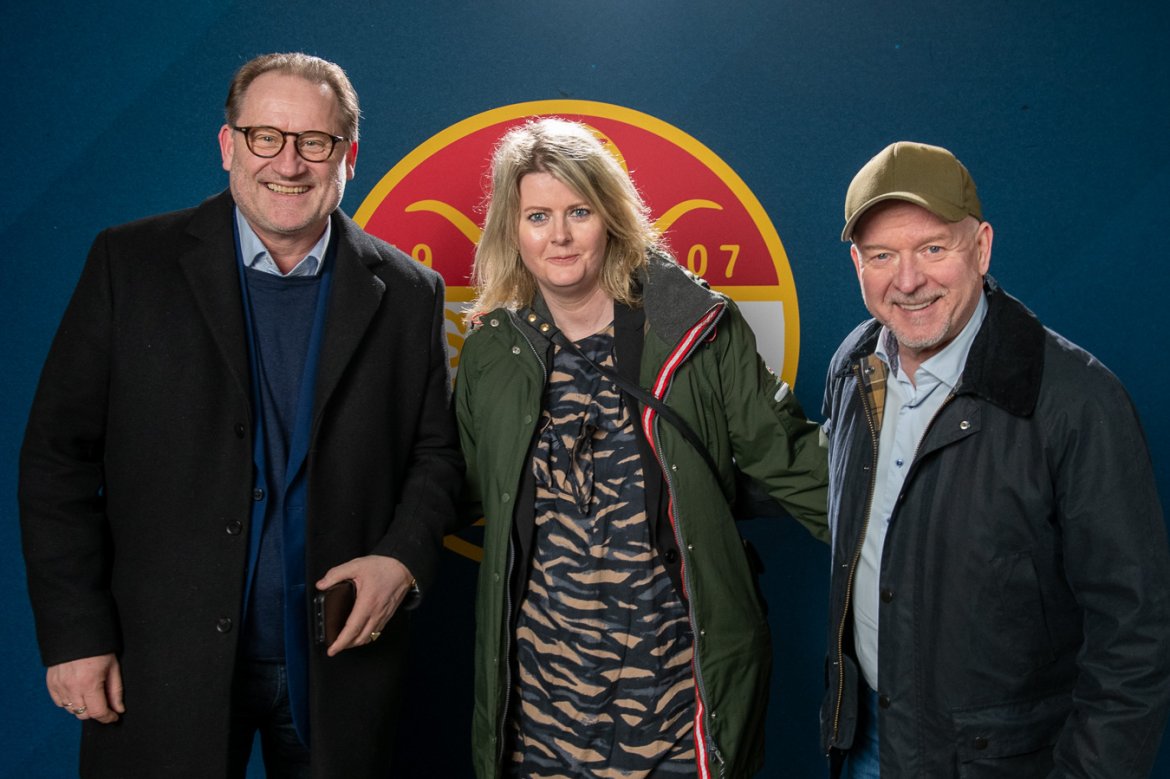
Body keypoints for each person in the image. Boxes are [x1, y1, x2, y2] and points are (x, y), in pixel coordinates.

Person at [19, 52, 462, 778]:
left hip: (338, 663)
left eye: (313, 141)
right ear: (229, 145)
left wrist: (403, 557)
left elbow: (435, 454)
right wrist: (75, 634)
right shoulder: (128, 264)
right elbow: (56, 460)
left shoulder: (411, 291)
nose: (288, 163)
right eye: (265, 137)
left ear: (348, 157)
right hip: (156, 660)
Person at [454, 117, 828, 779]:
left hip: (676, 703)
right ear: (513, 231)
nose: (559, 236)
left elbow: (793, 461)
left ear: (612, 218)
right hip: (541, 714)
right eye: (538, 216)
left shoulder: (692, 327)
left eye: (579, 212)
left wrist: (921, 536)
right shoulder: (492, 352)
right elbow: (455, 484)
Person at [820, 141, 1170, 777]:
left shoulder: (1077, 402)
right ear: (857, 264)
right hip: (868, 741)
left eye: (933, 248)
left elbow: (1136, 636)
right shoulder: (853, 367)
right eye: (882, 255)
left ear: (980, 248)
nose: (908, 280)